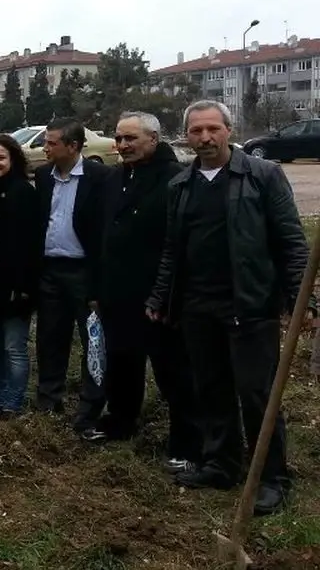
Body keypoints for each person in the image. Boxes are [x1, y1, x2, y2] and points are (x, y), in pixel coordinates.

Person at [148, 100, 310, 515]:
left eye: (212, 129)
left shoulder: (263, 176)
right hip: (198, 306)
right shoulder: (180, 185)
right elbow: (172, 248)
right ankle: (222, 463)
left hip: (250, 303)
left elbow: (291, 242)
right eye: (196, 131)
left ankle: (270, 477)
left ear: (228, 129)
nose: (204, 138)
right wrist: (160, 296)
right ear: (186, 135)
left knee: (257, 395)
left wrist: (301, 297)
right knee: (211, 389)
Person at [87, 113, 198, 467]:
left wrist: (166, 293)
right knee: (122, 362)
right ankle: (121, 421)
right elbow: (99, 233)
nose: (122, 146)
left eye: (131, 139)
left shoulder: (175, 179)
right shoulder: (114, 177)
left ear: (153, 138)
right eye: (119, 139)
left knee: (172, 369)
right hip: (116, 292)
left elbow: (178, 242)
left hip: (160, 295)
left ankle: (186, 441)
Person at [33, 118, 109, 432]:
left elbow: (105, 232)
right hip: (50, 270)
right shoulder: (42, 177)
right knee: (50, 337)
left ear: (73, 146)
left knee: (93, 341)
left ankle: (90, 407)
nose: (45, 148)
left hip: (84, 272)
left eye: (51, 143)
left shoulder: (100, 177)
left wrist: (99, 283)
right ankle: (49, 400)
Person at [0, 134, 41, 417]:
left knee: (14, 347)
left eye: (0, 157)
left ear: (12, 160)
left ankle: (12, 402)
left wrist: (25, 285)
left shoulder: (24, 192)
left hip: (16, 285)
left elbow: (34, 242)